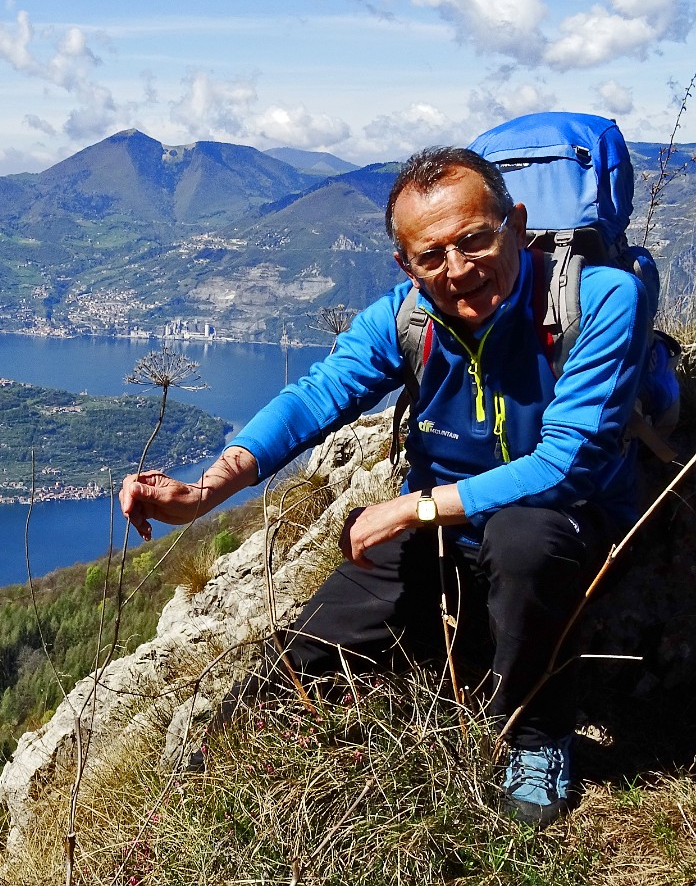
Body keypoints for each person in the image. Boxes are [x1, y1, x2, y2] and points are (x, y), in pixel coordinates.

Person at [120, 146, 648, 828]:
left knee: (523, 537)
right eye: (431, 256)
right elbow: (315, 399)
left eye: (475, 239)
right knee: (280, 678)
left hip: (567, 524)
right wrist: (205, 491)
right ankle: (194, 790)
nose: (457, 269)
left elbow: (567, 462)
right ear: (407, 265)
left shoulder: (598, 299)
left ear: (514, 222)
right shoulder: (409, 316)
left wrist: (411, 506)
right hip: (443, 535)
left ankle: (536, 732)